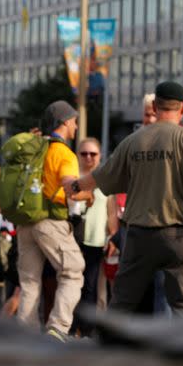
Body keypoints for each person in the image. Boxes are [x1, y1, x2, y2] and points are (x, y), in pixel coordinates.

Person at [69, 82, 183, 317]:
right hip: (180, 235)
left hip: (139, 236)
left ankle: (108, 350)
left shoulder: (133, 142)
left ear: (155, 106)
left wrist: (74, 185)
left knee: (123, 303)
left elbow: (103, 175)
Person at [16, 100, 86, 341]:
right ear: (65, 122)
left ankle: (26, 333)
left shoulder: (35, 148)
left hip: (25, 221)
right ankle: (57, 327)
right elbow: (70, 189)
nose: (76, 127)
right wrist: (88, 193)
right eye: (74, 122)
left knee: (29, 281)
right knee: (73, 271)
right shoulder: (62, 152)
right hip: (51, 221)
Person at [72, 137, 109, 335]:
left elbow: (111, 212)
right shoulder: (72, 177)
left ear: (100, 155)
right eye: (84, 153)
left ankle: (86, 330)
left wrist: (112, 238)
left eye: (93, 154)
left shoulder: (105, 178)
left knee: (90, 288)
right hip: (73, 239)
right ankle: (70, 327)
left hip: (96, 240)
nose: (88, 157)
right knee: (71, 284)